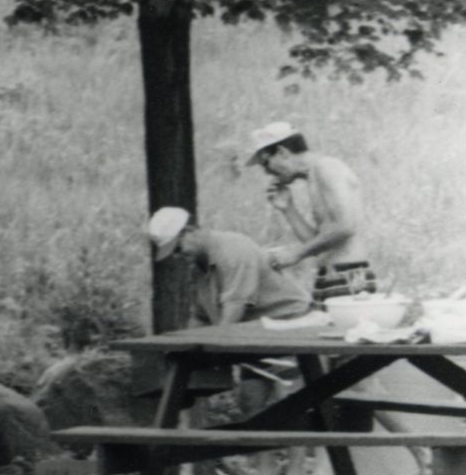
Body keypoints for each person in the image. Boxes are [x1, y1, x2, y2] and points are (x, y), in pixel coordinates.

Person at [244, 121, 372, 301]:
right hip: (330, 275)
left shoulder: (327, 167)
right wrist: (288, 208)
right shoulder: (313, 176)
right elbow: (320, 243)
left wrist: (296, 254)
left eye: (266, 163)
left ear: (282, 152)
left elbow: (346, 226)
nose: (267, 172)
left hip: (350, 274)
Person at [148, 206, 312, 326]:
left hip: (291, 320)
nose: (178, 257)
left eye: (178, 249)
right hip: (256, 327)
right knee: (186, 358)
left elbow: (233, 314)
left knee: (215, 354)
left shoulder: (234, 250)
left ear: (189, 230)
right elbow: (199, 317)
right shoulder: (197, 266)